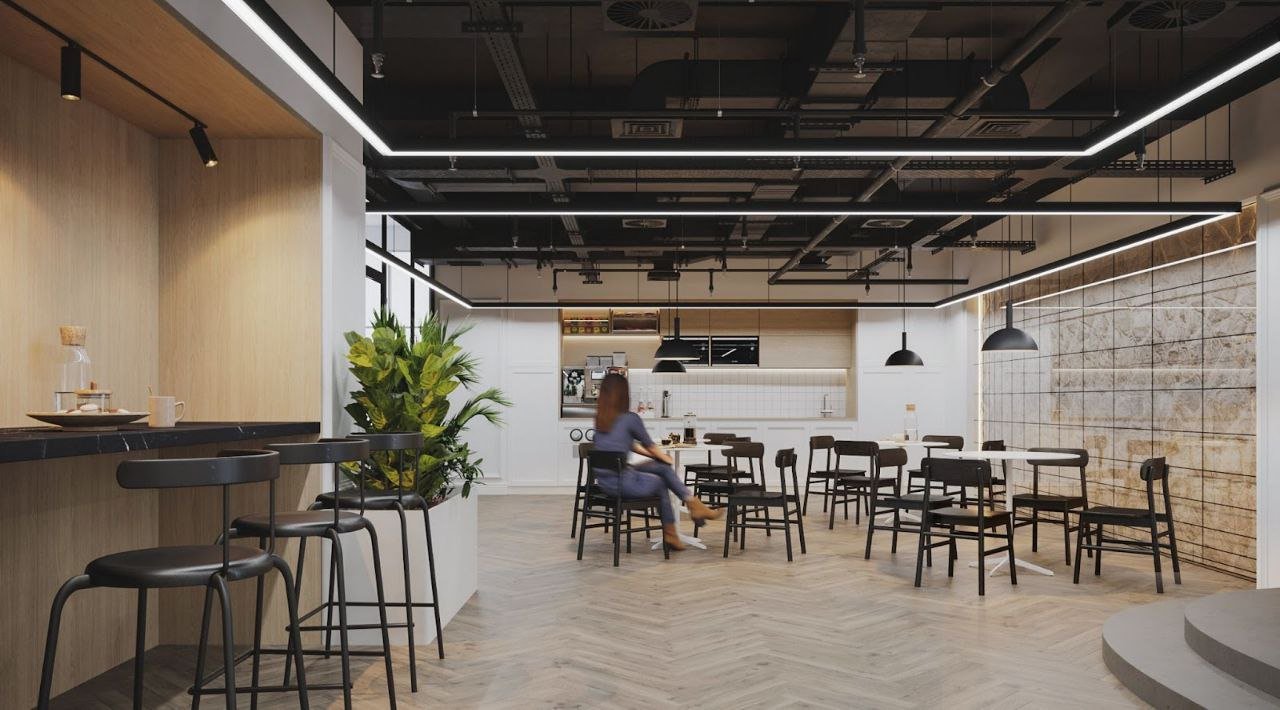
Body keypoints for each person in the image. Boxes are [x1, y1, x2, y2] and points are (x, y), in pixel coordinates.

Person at [592, 372, 721, 551]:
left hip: (606, 484)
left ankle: (690, 509)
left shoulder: (600, 420)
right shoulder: (630, 419)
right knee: (662, 479)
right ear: (624, 394)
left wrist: (655, 457)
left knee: (661, 468)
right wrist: (663, 457)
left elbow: (629, 445)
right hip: (624, 483)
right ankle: (680, 523)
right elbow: (650, 445)